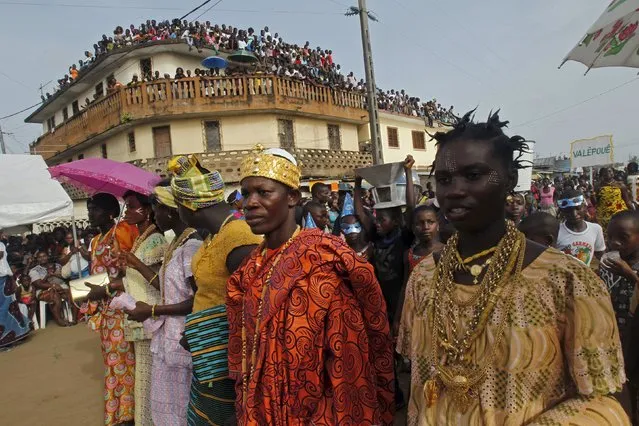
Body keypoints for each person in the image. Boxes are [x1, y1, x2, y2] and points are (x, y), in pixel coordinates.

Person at [398, 111, 629, 425]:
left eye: (474, 175)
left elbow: (604, 398)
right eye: (444, 179)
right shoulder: (424, 278)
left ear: (508, 181)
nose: (454, 189)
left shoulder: (566, 280)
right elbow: (421, 387)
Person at [227, 146, 395, 424]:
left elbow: (345, 361)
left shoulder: (323, 262)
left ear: (292, 197)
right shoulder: (250, 269)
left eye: (263, 192)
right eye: (246, 194)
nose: (250, 203)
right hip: (261, 408)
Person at [168, 154, 261, 425]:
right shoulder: (212, 236)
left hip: (228, 358)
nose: (178, 213)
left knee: (225, 418)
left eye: (178, 206)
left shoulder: (239, 238)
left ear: (189, 206)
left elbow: (253, 307)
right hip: (207, 349)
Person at [125, 184, 201, 426]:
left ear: (170, 211)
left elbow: (198, 300)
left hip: (184, 337)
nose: (155, 215)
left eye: (157, 209)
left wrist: (154, 310)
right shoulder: (177, 244)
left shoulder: (191, 246)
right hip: (169, 336)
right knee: (169, 407)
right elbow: (165, 288)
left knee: (182, 408)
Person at [81, 193, 139, 426]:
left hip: (123, 309)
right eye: (89, 209)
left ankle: (129, 414)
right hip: (105, 312)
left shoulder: (123, 232)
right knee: (113, 363)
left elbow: (133, 272)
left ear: (110, 213)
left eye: (94, 209)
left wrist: (105, 289)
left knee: (125, 362)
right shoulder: (96, 240)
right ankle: (119, 413)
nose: (90, 214)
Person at [116, 191, 167, 426]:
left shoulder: (156, 240)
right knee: (144, 379)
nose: (126, 211)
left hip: (150, 317)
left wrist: (134, 262)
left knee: (150, 380)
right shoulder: (140, 238)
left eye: (131, 206)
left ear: (146, 211)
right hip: (140, 318)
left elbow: (163, 283)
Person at [602, 211, 639, 423]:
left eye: (623, 237)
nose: (615, 243)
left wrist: (630, 274)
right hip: (615, 338)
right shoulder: (609, 265)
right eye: (610, 237)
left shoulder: (627, 269)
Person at [556, 188, 605, 267]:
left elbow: (601, 256)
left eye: (578, 208)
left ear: (585, 207)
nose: (574, 214)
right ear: (562, 211)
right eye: (568, 210)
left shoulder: (596, 229)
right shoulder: (556, 231)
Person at [0, 238, 30, 349]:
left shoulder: (1, 245)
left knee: (10, 307)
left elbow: (3, 261)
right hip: (2, 280)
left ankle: (17, 333)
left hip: (4, 280)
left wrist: (12, 279)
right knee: (4, 309)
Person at [29, 251, 73, 326]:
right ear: (37, 259)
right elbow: (38, 284)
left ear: (48, 257)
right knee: (55, 296)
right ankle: (59, 319)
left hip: (61, 287)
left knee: (70, 293)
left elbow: (65, 277)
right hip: (43, 291)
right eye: (40, 257)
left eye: (44, 256)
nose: (42, 258)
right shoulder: (34, 270)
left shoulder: (57, 265)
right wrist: (53, 285)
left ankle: (73, 317)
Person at [597, 166, 633, 232]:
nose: (607, 173)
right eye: (605, 172)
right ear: (602, 174)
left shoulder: (620, 185)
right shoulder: (598, 186)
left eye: (610, 171)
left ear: (613, 172)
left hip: (619, 214)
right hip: (604, 216)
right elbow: (597, 202)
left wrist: (634, 212)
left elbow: (627, 201)